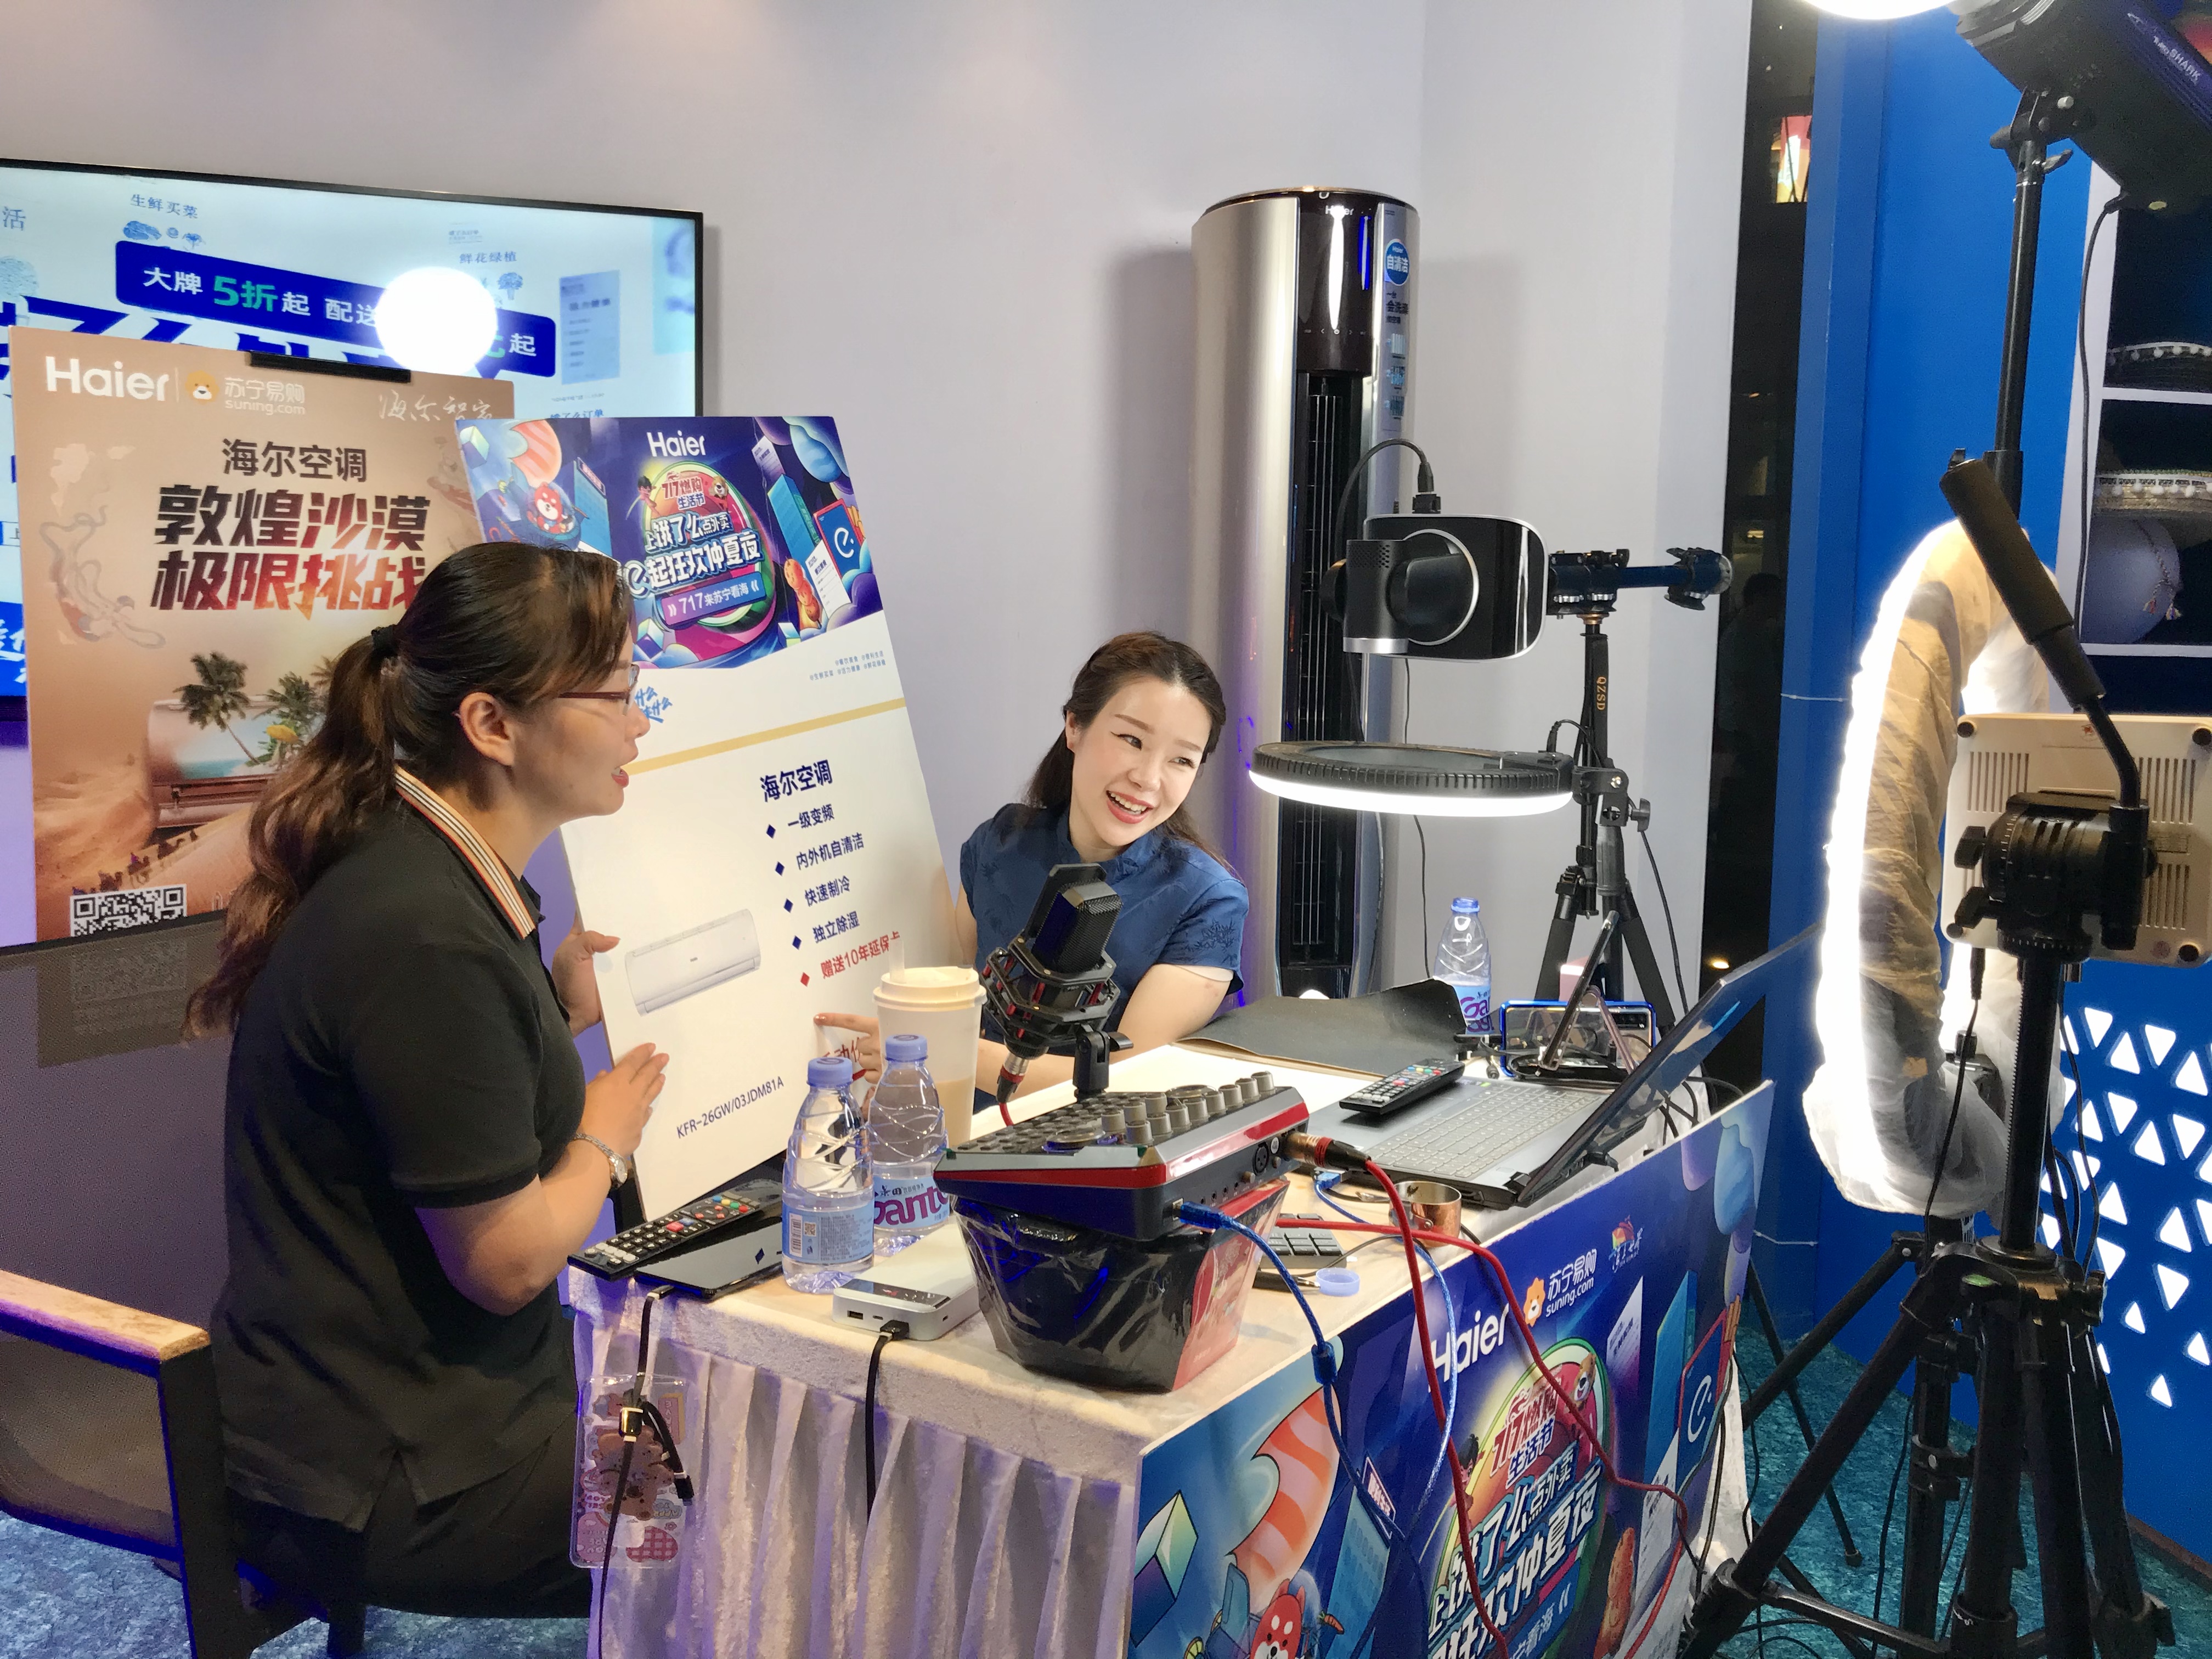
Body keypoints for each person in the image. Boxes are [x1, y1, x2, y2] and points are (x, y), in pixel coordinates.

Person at [186, 543, 667, 1618]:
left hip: (400, 1410)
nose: (640, 724)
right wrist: (605, 1134)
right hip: (391, 1475)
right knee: (743, 1490)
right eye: (617, 694)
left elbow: (431, 1098)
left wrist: (551, 1015)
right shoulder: (423, 932)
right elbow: (507, 1261)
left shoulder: (427, 866)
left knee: (720, 1411)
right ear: (493, 724)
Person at [818, 630, 1248, 1096]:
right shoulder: (1001, 844)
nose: (1148, 779)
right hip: (964, 1128)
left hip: (1098, 1141)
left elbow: (1126, 1082)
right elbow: (957, 997)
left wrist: (932, 1052)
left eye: (1181, 760)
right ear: (1075, 726)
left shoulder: (1209, 902)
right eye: (1132, 739)